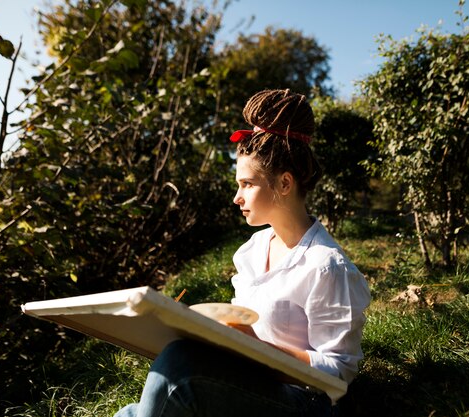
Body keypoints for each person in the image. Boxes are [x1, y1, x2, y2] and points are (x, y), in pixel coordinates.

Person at [114, 89, 371, 417]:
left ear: (284, 184)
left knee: (177, 373)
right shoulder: (252, 251)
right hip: (251, 380)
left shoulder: (325, 266)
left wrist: (261, 349)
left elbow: (338, 373)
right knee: (162, 377)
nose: (237, 197)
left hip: (303, 401)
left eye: (247, 184)